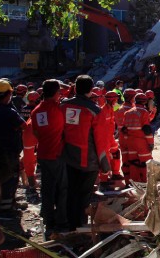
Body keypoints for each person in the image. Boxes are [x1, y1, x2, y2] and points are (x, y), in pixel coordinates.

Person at [61, 75, 111, 230]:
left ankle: (68, 222)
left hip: (67, 157)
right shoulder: (95, 111)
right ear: (91, 90)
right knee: (84, 195)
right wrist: (105, 164)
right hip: (87, 161)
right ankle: (79, 225)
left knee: (70, 192)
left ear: (75, 88)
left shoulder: (63, 106)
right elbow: (100, 140)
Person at [31, 80, 67, 239]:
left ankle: (48, 219)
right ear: (55, 93)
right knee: (62, 189)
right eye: (59, 91)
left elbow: (37, 134)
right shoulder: (58, 110)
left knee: (47, 189)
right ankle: (60, 221)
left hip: (43, 154)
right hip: (57, 155)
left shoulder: (36, 111)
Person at [0, 79, 26, 214]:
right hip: (8, 152)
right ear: (7, 95)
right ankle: (6, 207)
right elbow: (24, 126)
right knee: (9, 178)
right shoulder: (10, 112)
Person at [124, 93, 153, 182]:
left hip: (130, 142)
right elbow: (147, 129)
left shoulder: (127, 113)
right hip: (141, 142)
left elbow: (124, 130)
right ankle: (146, 183)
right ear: (144, 102)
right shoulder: (144, 112)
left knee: (133, 163)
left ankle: (135, 183)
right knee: (146, 163)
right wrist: (151, 142)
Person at [99, 92, 122, 183]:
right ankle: (103, 180)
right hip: (104, 137)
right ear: (112, 100)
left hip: (110, 136)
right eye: (116, 99)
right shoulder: (102, 110)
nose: (117, 100)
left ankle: (115, 173)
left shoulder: (112, 108)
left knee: (116, 152)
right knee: (106, 157)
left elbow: (120, 111)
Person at [116, 88, 137, 184]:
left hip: (122, 138)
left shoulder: (120, 109)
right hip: (131, 139)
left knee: (125, 160)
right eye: (134, 97)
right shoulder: (132, 110)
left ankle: (127, 182)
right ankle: (133, 182)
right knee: (133, 161)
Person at [21, 91, 41, 189]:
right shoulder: (37, 109)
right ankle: (31, 181)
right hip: (34, 133)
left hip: (26, 134)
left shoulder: (24, 108)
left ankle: (30, 180)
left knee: (28, 157)